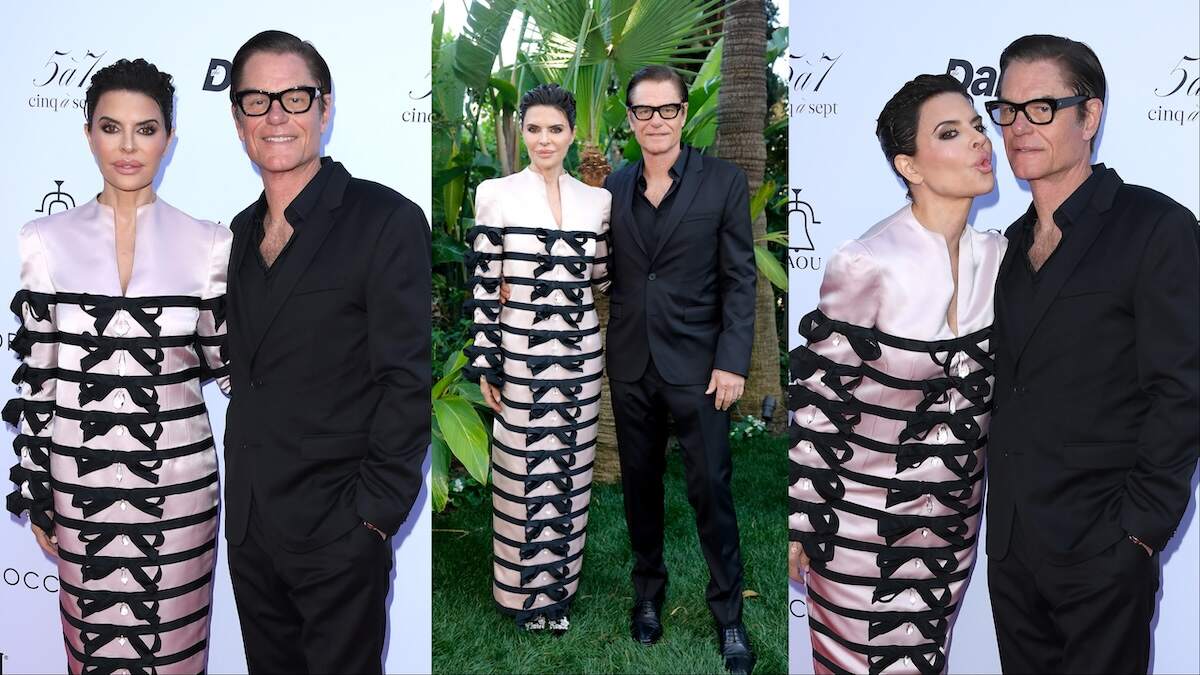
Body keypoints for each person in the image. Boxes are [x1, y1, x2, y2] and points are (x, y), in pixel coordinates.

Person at [5, 58, 230, 674]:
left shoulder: (211, 243)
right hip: (79, 488)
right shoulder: (42, 241)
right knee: (89, 650)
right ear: (87, 134)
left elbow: (226, 364)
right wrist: (36, 488)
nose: (128, 146)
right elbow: (39, 377)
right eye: (111, 128)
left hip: (181, 489)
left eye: (147, 129)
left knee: (179, 651)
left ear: (170, 138)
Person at [984, 34, 1199, 674]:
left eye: (1042, 108)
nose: (1019, 127)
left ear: (1091, 115)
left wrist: (1136, 533)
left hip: (1104, 545)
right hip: (1013, 549)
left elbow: (1183, 389)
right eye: (1008, 109)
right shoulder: (1006, 247)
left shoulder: (1156, 226)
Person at [221, 30, 430, 674]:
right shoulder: (237, 234)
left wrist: (372, 518)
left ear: (325, 107)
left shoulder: (386, 219)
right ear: (237, 120)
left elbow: (406, 380)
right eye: (256, 99)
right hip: (252, 529)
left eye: (295, 96)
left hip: (341, 530)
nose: (276, 114)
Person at [788, 74, 1003, 674]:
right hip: (857, 529)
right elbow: (819, 401)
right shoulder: (867, 262)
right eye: (950, 133)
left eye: (978, 127)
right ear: (908, 164)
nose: (978, 143)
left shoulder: (1001, 259)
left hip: (952, 535)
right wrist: (800, 525)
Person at [604, 65, 756, 674]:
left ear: (683, 113)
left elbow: (740, 278)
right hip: (632, 362)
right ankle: (648, 595)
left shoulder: (723, 181)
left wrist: (731, 360)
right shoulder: (612, 188)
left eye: (667, 110)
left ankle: (729, 615)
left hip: (699, 366)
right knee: (640, 487)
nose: (656, 122)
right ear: (632, 119)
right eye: (644, 112)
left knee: (711, 489)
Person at [464, 83, 610, 633]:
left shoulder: (600, 201)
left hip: (581, 355)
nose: (543, 139)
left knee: (570, 472)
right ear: (522, 131)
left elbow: (600, 277)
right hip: (520, 351)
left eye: (555, 129)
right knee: (519, 469)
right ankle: (519, 594)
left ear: (571, 134)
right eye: (533, 128)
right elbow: (483, 283)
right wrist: (487, 360)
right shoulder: (494, 193)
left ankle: (558, 594)